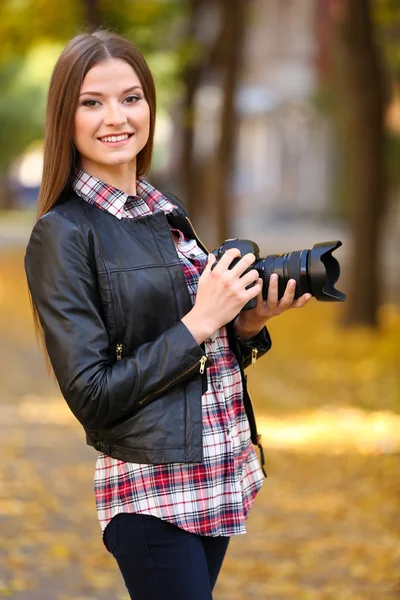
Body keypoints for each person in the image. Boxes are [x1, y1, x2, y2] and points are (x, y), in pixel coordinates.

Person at [24, 30, 311, 600]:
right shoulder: (63, 233)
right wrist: (202, 320)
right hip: (152, 491)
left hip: (218, 471)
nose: (117, 117)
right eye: (92, 102)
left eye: (131, 98)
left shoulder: (163, 209)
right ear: (66, 117)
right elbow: (92, 395)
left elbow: (199, 350)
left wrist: (245, 325)